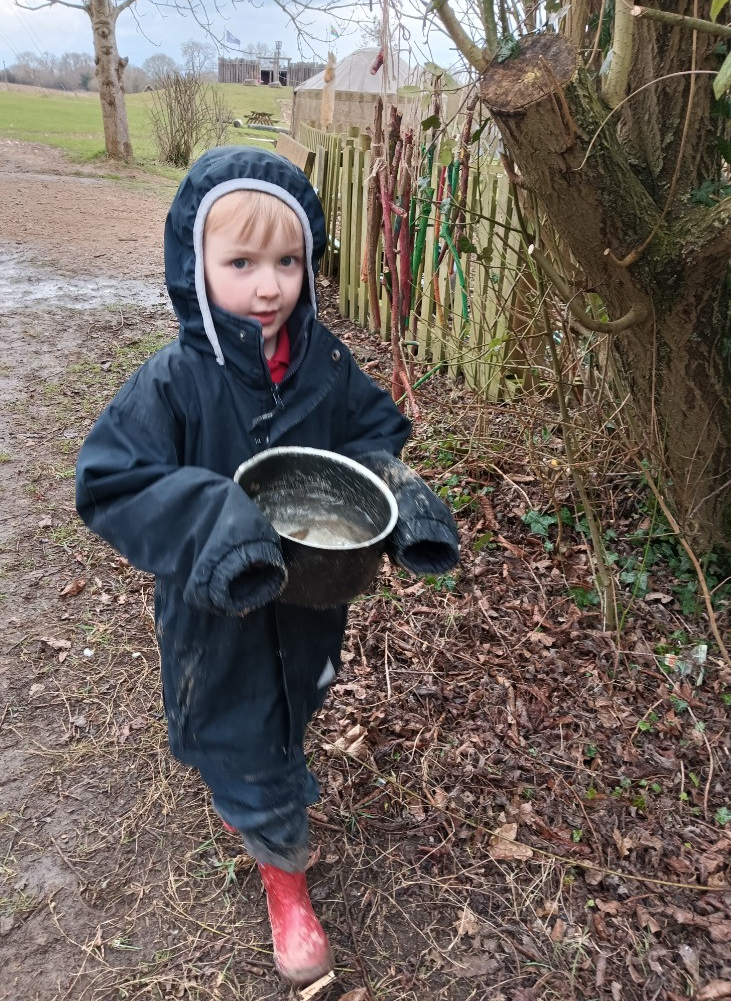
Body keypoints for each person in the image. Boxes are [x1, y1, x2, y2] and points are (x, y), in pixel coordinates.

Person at [75, 146, 458, 987]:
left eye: (287, 262)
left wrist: (398, 490)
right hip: (215, 610)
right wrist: (215, 515)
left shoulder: (322, 364)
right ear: (193, 264)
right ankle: (283, 872)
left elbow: (371, 431)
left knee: (290, 709)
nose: (267, 287)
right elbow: (110, 480)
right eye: (240, 263)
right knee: (239, 731)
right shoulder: (174, 382)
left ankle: (257, 785)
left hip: (315, 596)